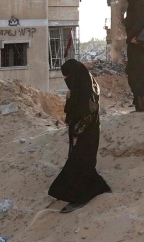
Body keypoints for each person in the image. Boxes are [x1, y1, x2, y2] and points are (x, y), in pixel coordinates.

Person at [48, 59, 112, 213]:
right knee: (81, 164)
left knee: (80, 163)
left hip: (86, 134)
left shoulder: (86, 90)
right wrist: (69, 98)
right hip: (82, 132)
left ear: (75, 74)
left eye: (67, 77)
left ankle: (79, 198)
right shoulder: (82, 85)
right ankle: (99, 187)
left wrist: (77, 134)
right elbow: (70, 112)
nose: (66, 81)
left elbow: (87, 114)